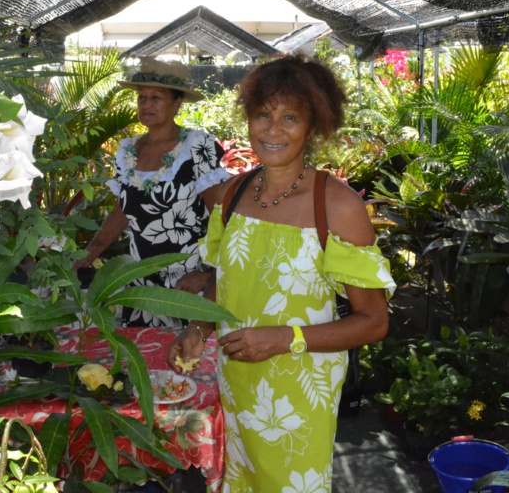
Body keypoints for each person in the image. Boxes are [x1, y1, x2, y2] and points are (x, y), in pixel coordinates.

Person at [168, 55, 395, 492]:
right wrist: (198, 326)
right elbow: (226, 277)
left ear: (314, 126)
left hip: (299, 389)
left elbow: (374, 321)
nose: (273, 130)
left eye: (290, 117)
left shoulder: (336, 205)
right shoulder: (232, 193)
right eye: (262, 115)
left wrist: (282, 338)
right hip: (235, 375)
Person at [73, 58, 229, 328]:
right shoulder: (128, 152)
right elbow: (122, 211)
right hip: (141, 281)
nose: (146, 104)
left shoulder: (197, 146)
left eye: (156, 97)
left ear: (177, 104)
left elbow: (222, 214)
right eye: (142, 97)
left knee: (188, 360)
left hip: (189, 283)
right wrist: (89, 253)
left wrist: (209, 273)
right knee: (144, 358)